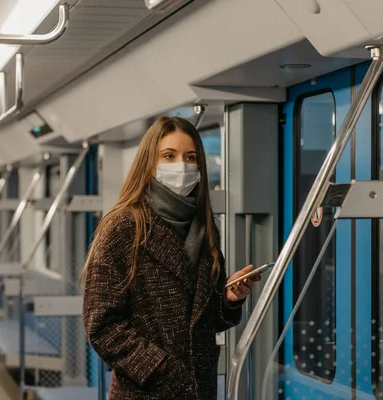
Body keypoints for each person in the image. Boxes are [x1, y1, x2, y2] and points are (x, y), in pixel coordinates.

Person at [82, 116, 259, 399]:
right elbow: (101, 326)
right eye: (169, 156)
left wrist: (228, 299)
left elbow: (204, 319)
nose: (182, 166)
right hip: (146, 390)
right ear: (149, 164)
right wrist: (161, 368)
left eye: (190, 157)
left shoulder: (205, 227)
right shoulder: (124, 226)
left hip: (199, 388)